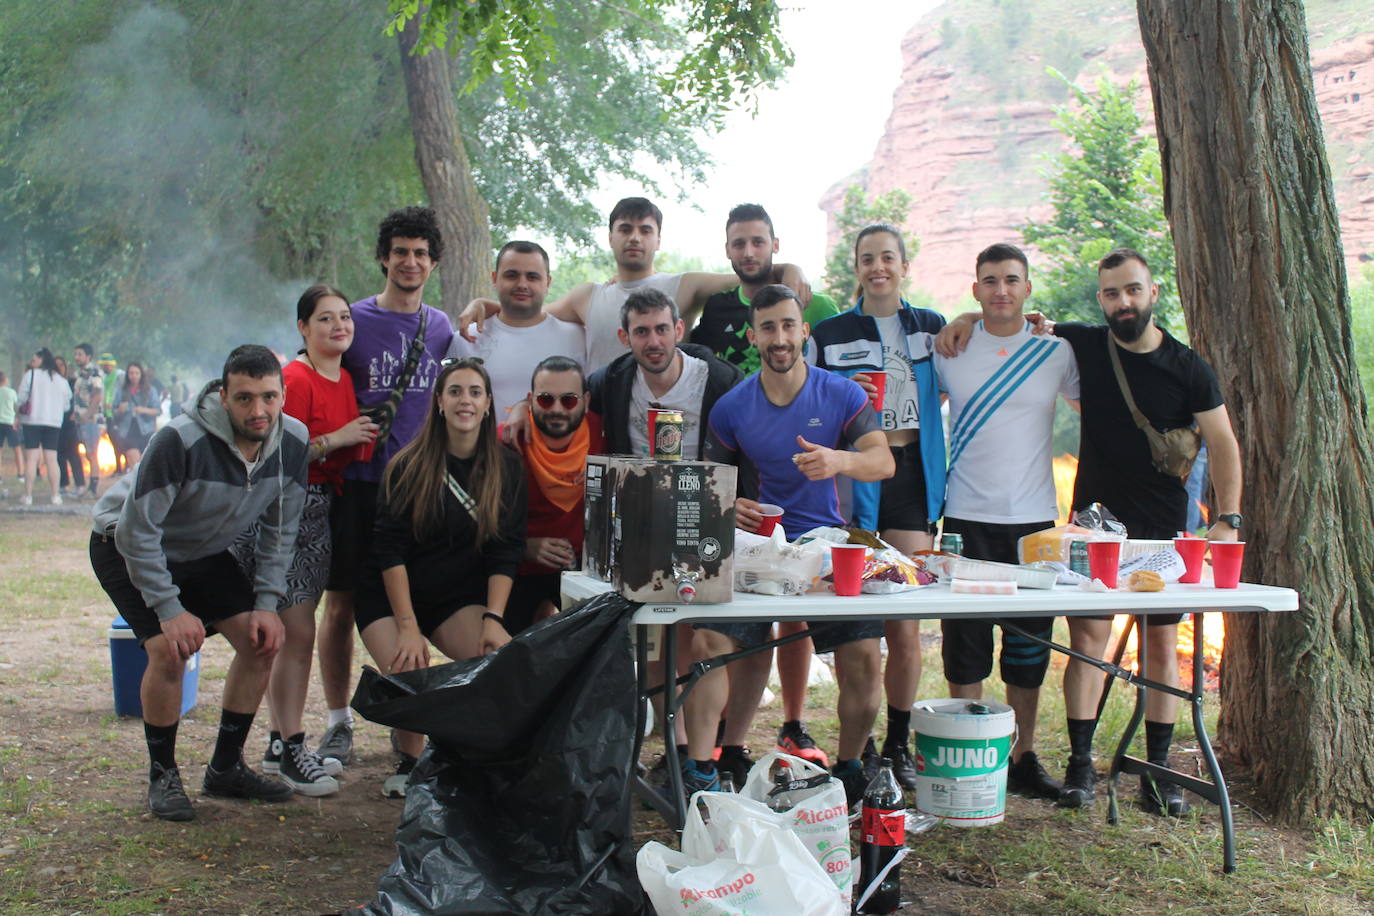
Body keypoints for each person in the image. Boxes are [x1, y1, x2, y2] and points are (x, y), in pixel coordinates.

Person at [89, 344, 310, 821]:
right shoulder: (180, 439)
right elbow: (136, 530)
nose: (259, 410)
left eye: (270, 397)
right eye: (246, 398)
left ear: (283, 394)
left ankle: (226, 769)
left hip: (202, 552)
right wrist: (168, 608)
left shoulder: (293, 442)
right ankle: (162, 776)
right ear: (224, 395)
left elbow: (279, 531)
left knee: (261, 640)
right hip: (124, 543)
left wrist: (268, 604)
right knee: (168, 650)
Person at [700, 284, 895, 807]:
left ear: (804, 330)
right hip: (760, 548)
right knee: (715, 645)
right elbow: (710, 483)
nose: (780, 337)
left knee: (862, 656)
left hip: (831, 546)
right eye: (768, 327)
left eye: (789, 325)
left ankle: (851, 767)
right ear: (753, 335)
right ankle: (724, 756)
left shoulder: (842, 394)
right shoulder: (731, 407)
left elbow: (883, 461)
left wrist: (839, 460)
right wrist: (731, 503)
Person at [931, 243, 1080, 801]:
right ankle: (971, 756)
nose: (1000, 290)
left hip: (1035, 520)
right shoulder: (949, 349)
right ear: (975, 290)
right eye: (989, 281)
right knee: (964, 643)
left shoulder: (1055, 351)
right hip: (966, 514)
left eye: (1011, 280)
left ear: (1027, 287)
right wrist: (960, 323)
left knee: (1027, 648)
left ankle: (1023, 758)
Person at [587, 286, 752, 783]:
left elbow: (746, 439)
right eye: (642, 332)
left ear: (679, 329)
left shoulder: (720, 380)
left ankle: (712, 751)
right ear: (625, 337)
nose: (653, 340)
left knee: (706, 636)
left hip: (709, 520)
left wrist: (741, 497)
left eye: (662, 328)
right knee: (659, 636)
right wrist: (517, 413)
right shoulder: (613, 381)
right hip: (643, 523)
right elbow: (567, 398)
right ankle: (676, 751)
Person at [804, 223, 947, 786]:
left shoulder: (933, 327)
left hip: (912, 472)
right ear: (856, 268)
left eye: (888, 257)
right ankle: (856, 747)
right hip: (856, 476)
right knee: (858, 615)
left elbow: (974, 347)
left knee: (906, 621)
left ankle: (896, 743)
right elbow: (807, 398)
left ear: (904, 265)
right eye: (868, 259)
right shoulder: (831, 330)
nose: (878, 267)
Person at [317, 207, 454, 768]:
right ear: (383, 257)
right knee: (342, 602)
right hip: (357, 481)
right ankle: (336, 720)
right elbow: (318, 373)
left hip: (415, 487)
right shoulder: (353, 320)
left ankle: (410, 732)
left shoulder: (442, 327)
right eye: (401, 251)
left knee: (410, 601)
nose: (410, 261)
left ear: (433, 262)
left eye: (421, 253)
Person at [354, 357, 525, 798]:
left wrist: (493, 617)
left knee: (493, 666)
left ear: (488, 404)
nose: (464, 400)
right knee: (410, 671)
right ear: (440, 402)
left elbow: (505, 550)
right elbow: (388, 550)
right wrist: (408, 627)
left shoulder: (507, 468)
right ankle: (410, 758)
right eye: (455, 391)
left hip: (453, 596)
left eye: (474, 392)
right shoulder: (408, 465)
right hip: (391, 594)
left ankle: (470, 756)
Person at [232, 286, 378, 795]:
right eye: (325, 319)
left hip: (322, 512)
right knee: (293, 633)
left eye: (344, 317)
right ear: (302, 327)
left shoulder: (343, 380)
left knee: (298, 629)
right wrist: (339, 439)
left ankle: (280, 743)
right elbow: (272, 449)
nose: (339, 326)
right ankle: (291, 747)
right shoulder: (296, 378)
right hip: (288, 509)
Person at [456, 197, 809, 373]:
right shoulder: (588, 296)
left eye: (645, 230)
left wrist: (791, 268)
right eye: (625, 229)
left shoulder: (684, 286)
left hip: (666, 422)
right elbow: (529, 311)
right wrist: (486, 305)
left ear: (659, 240)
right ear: (611, 237)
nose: (635, 238)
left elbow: (750, 272)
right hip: (602, 420)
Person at [503, 356, 603, 634]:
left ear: (585, 400)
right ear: (530, 399)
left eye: (568, 400)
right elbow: (481, 523)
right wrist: (525, 546)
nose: (557, 409)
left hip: (583, 569)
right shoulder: (507, 440)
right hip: (517, 569)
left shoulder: (605, 435)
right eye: (546, 399)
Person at [690, 203, 841, 374]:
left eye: (758, 242)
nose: (748, 253)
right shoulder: (716, 307)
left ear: (775, 245)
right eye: (739, 244)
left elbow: (844, 369)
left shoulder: (817, 306)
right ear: (727, 250)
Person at [446, 240, 586, 422]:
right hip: (483, 450)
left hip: (555, 450)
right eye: (512, 275)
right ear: (495, 279)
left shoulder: (576, 338)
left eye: (532, 277)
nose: (522, 284)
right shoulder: (465, 338)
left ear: (548, 283)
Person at [16, 347, 72, 506]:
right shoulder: (61, 380)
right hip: (53, 423)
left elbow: (21, 398)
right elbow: (67, 404)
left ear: (41, 360)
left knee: (32, 459)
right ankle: (55, 496)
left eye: (34, 360)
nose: (32, 363)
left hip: (31, 421)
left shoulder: (30, 375)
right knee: (51, 459)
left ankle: (27, 495)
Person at [112, 362, 161, 468]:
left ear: (141, 375)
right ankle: (136, 482)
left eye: (136, 373)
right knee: (135, 465)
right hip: (128, 429)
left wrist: (144, 410)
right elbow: (114, 412)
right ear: (127, 375)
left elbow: (157, 410)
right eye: (131, 373)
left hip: (146, 429)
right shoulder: (121, 391)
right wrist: (120, 410)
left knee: (146, 464)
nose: (133, 376)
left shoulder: (150, 390)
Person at [73, 344, 106, 496]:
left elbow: (97, 395)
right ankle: (90, 486)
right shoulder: (81, 374)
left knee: (92, 452)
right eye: (76, 354)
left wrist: (87, 415)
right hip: (82, 419)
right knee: (88, 452)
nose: (76, 357)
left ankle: (93, 488)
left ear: (88, 356)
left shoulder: (94, 372)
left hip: (92, 419)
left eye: (80, 354)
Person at [55, 356, 86, 497]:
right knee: (59, 455)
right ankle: (63, 484)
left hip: (71, 421)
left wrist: (77, 413)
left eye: (61, 365)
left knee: (73, 453)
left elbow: (81, 399)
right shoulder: (52, 384)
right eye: (56, 365)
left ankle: (80, 484)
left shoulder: (73, 382)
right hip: (55, 421)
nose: (59, 368)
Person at [0, 371, 22, 485]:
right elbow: (17, 406)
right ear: (5, 380)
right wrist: (17, 419)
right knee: (17, 449)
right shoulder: (11, 392)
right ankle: (20, 474)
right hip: (9, 422)